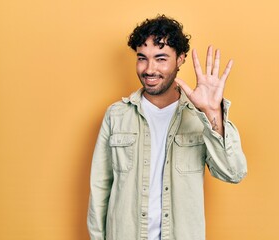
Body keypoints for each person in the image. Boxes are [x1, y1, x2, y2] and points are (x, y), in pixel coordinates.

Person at [87, 15, 247, 240]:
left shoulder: (197, 115)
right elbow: (100, 187)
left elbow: (233, 173)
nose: (149, 69)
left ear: (180, 59)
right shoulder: (117, 115)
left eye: (161, 58)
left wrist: (211, 113)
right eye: (142, 58)